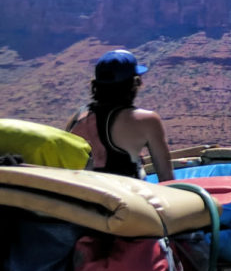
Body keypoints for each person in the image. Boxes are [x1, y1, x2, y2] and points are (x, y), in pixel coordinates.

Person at [65, 49, 175, 181]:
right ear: (135, 82)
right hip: (126, 197)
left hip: (85, 196)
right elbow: (166, 177)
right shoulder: (147, 120)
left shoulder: (76, 118)